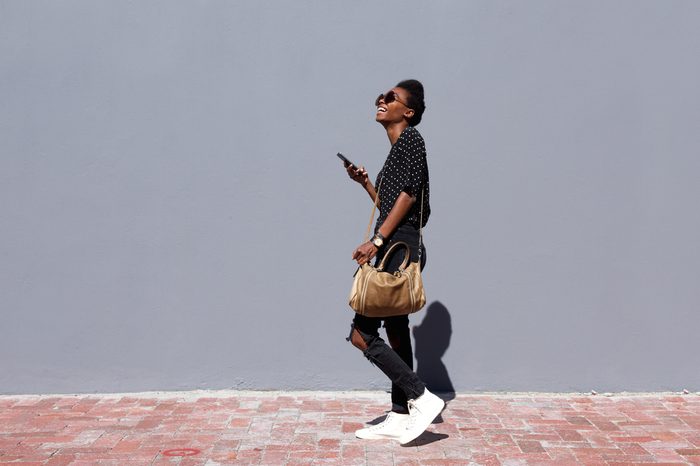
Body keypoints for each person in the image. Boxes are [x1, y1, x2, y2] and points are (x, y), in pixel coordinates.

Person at [344, 79, 444, 444]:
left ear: (409, 112)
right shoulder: (398, 149)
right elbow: (390, 202)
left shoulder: (411, 141)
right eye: (382, 96)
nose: (382, 100)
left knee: (361, 333)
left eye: (392, 98)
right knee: (397, 330)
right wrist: (366, 184)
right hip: (396, 242)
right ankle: (401, 413)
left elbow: (407, 197)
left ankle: (420, 397)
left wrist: (376, 240)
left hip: (396, 247)